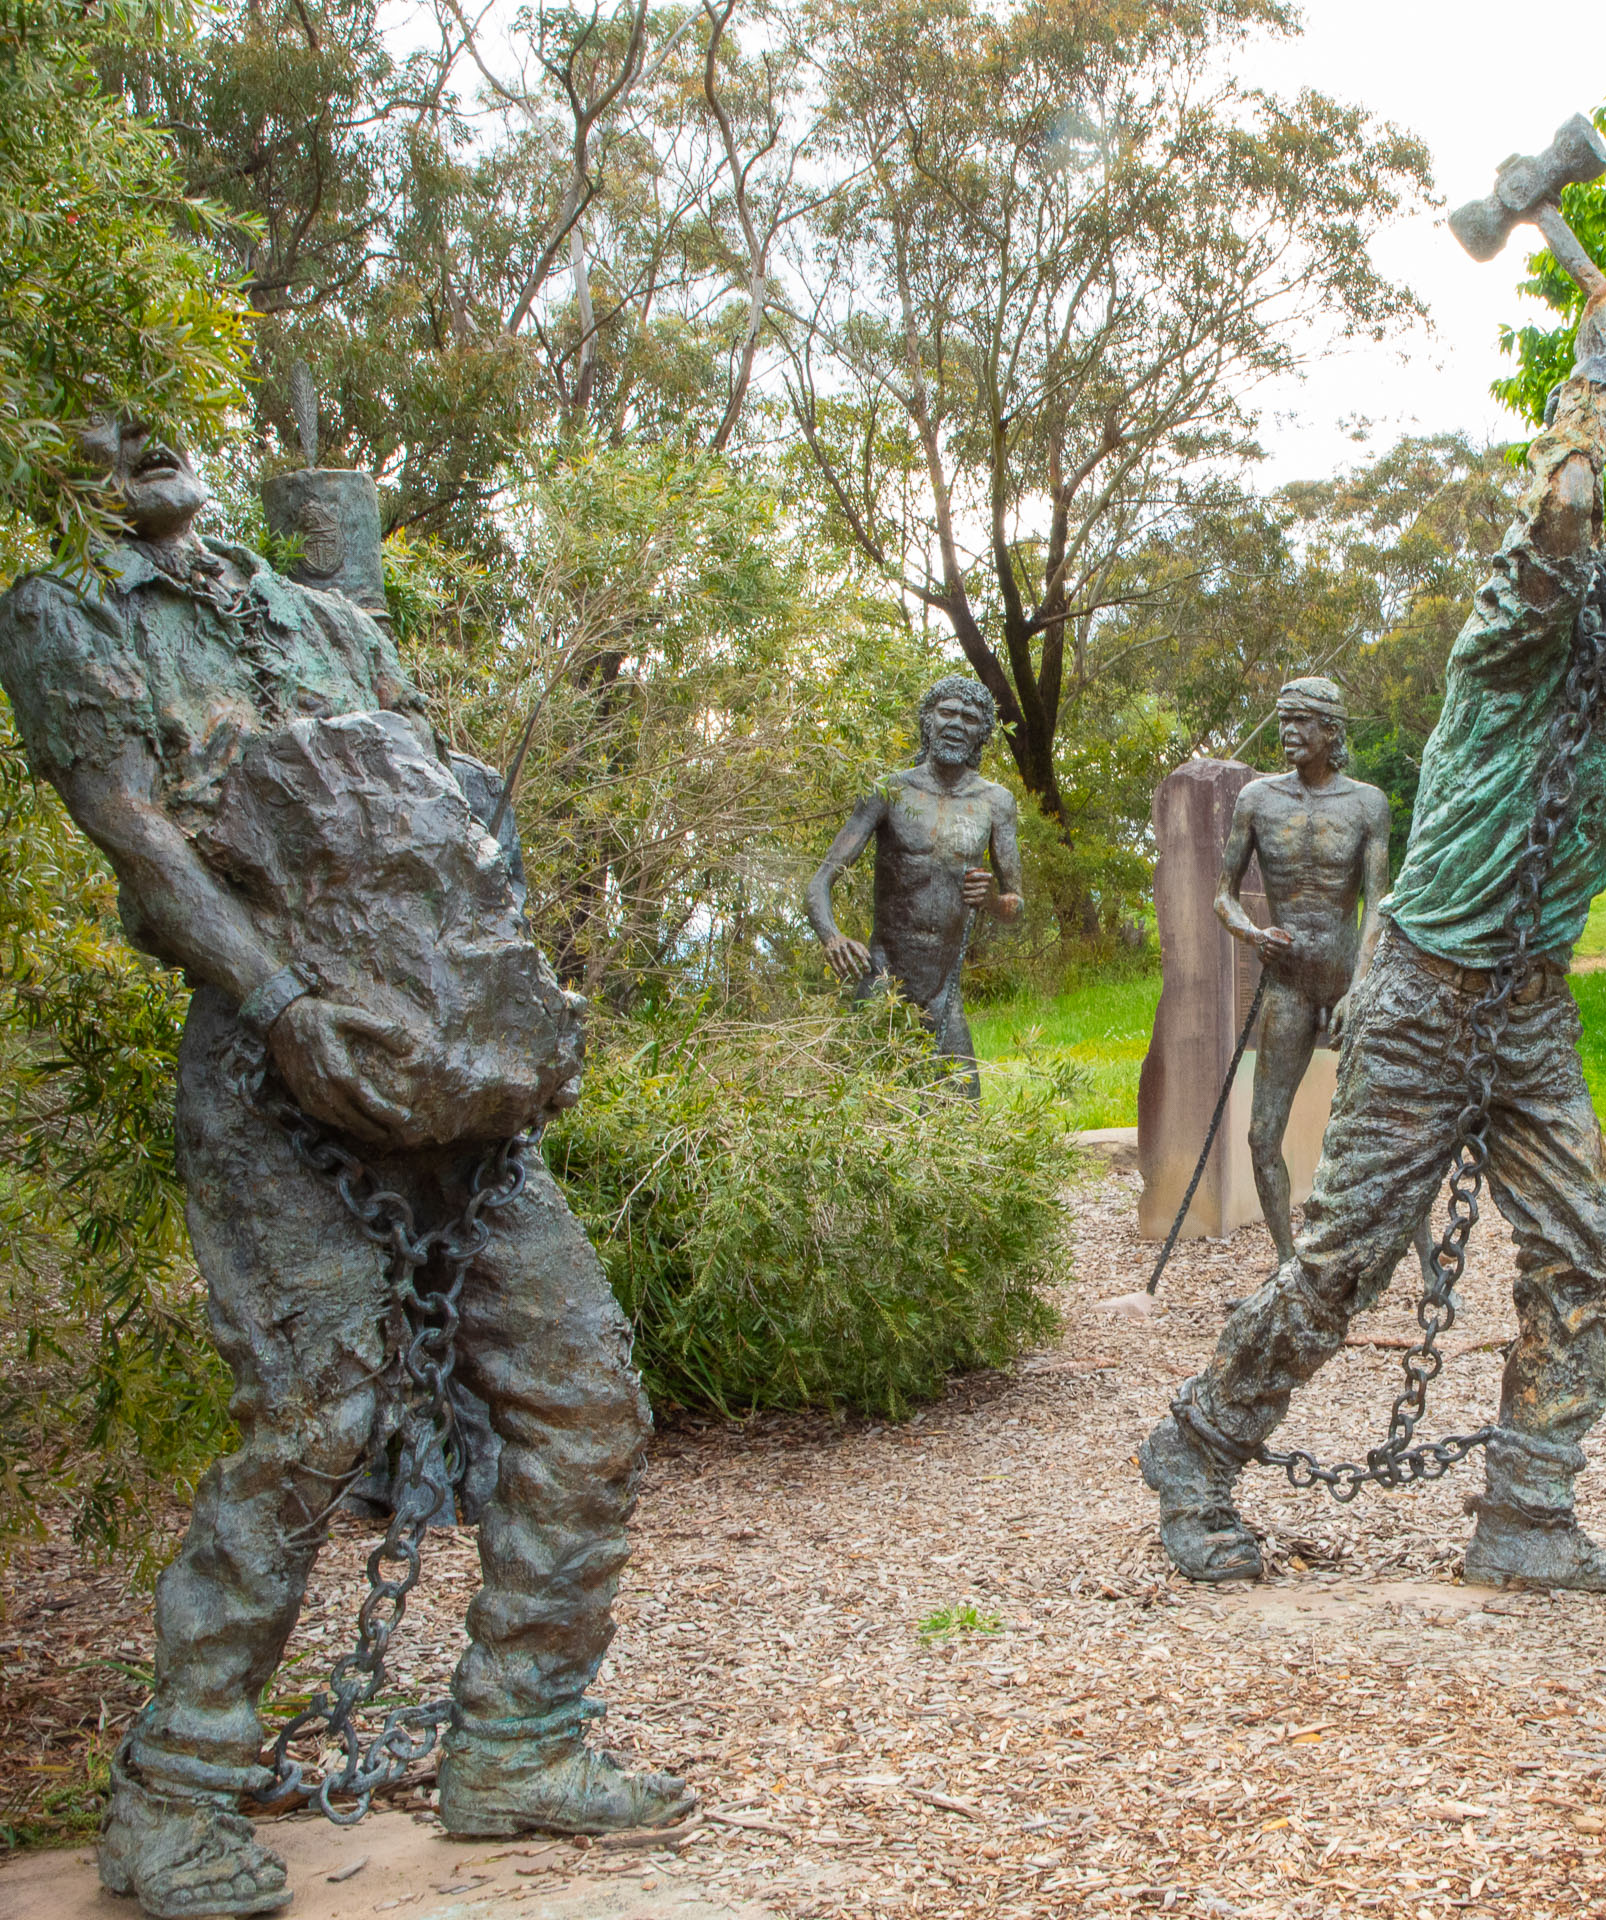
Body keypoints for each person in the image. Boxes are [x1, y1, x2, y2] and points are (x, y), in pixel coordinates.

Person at [0, 421, 690, 1920]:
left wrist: (512, 1010)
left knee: (584, 1397)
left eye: (158, 413)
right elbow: (138, 840)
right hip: (275, 1072)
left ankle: (520, 1743)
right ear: (60, 463)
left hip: (446, 1062)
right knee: (315, 1416)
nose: (139, 435)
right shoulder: (69, 612)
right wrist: (281, 1008)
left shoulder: (324, 618)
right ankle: (173, 1794)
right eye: (103, 420)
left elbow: (448, 818)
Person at [1140, 277, 1606, 1591]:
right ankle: (1195, 1448)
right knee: (1345, 1265)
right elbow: (1558, 523)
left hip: (1528, 1012)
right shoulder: (1520, 642)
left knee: (1585, 1245)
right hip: (1421, 997)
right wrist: (1593, 380)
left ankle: (1526, 1515)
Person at [1214, 678, 1390, 1258]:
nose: (1288, 732)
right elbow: (1223, 896)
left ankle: (1423, 1260)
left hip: (1347, 982)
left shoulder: (1367, 804)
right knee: (1262, 1136)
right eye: (1283, 720)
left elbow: (1377, 905)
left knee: (1385, 1131)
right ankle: (1288, 1267)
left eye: (1301, 721)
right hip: (1287, 985)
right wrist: (1252, 933)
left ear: (1331, 730)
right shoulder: (1257, 800)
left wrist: (1359, 990)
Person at [805, 675, 1023, 1091]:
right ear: (928, 720)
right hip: (884, 982)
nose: (956, 723)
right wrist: (832, 938)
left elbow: (1016, 904)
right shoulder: (888, 792)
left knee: (962, 1112)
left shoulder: (995, 803)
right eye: (947, 712)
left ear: (982, 733)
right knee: (865, 1106)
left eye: (969, 718)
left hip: (944, 992)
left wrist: (992, 901)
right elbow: (819, 883)